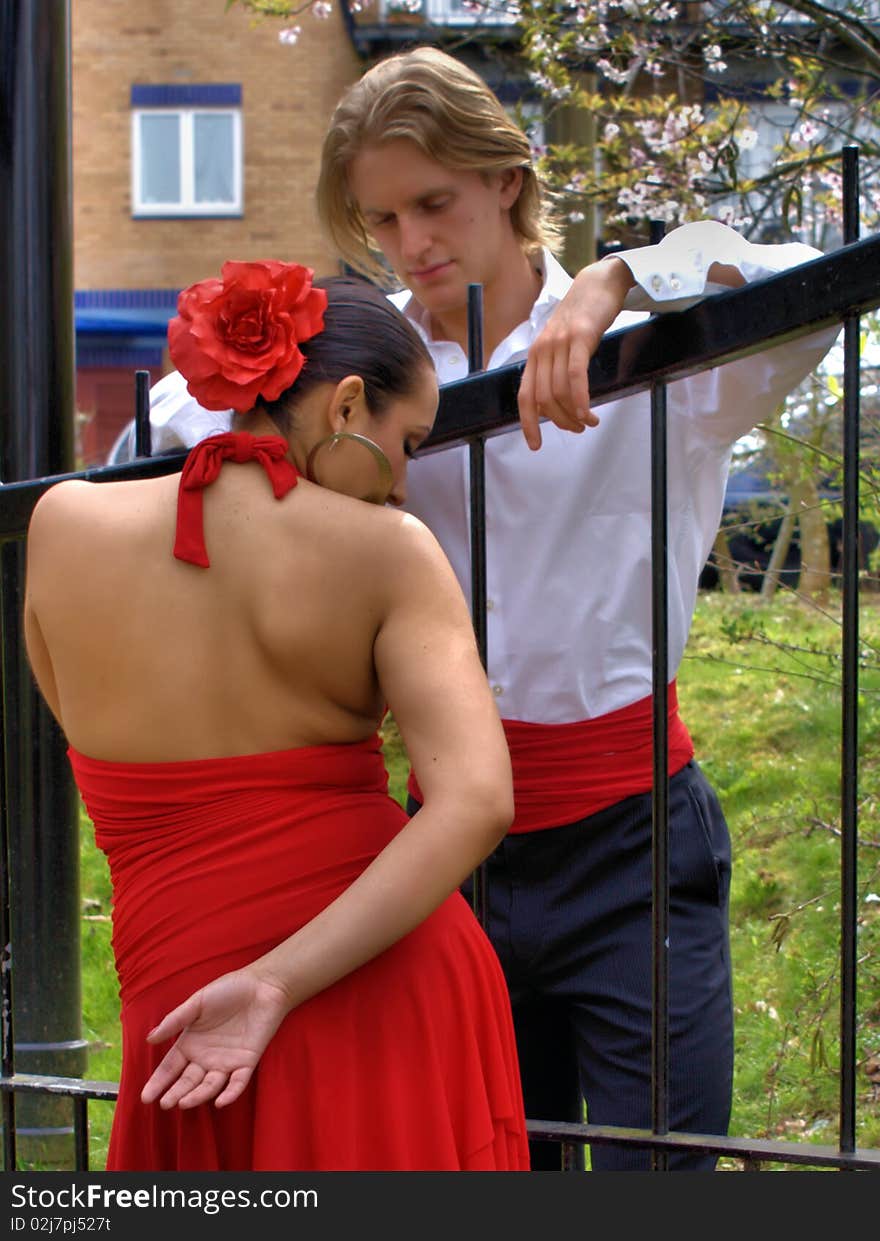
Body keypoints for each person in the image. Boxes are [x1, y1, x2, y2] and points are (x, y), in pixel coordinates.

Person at [142, 49, 839, 1170]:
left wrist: (622, 277)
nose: (414, 243)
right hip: (441, 842)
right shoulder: (368, 377)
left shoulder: (652, 348)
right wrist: (305, 336)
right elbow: (169, 416)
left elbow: (813, 275)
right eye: (382, 218)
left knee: (662, 1169)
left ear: (505, 180)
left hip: (635, 839)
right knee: (490, 1162)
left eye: (435, 202)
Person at [24, 259, 531, 1172]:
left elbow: (81, 725)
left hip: (179, 1009)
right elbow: (477, 801)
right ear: (343, 408)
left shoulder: (62, 525)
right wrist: (271, 982)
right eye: (410, 444)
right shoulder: (389, 553)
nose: (407, 484)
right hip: (384, 984)